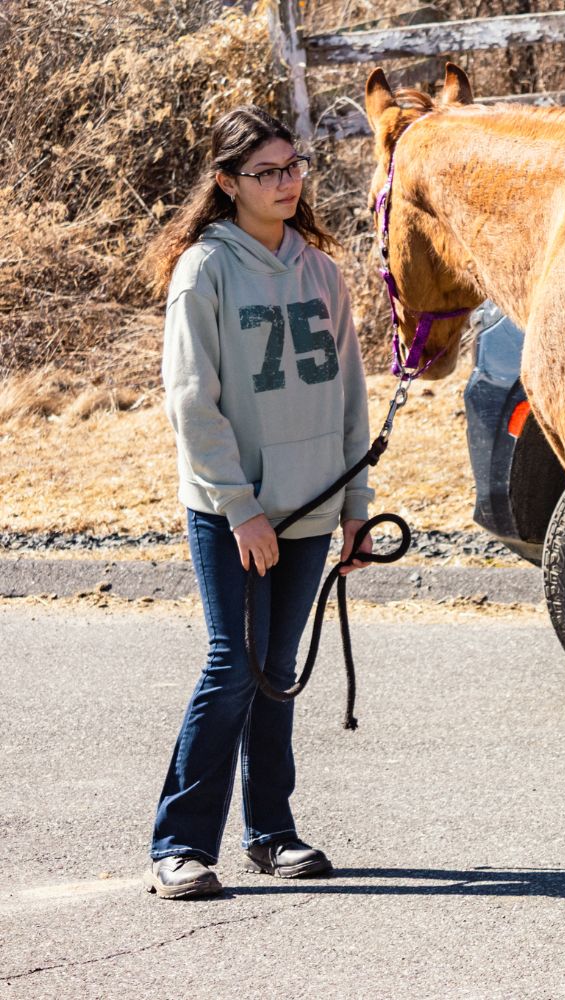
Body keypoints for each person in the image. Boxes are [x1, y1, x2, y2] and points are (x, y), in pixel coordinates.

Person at [144, 106, 374, 900]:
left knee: (277, 672)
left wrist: (356, 507)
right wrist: (240, 508)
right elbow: (190, 402)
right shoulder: (205, 270)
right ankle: (178, 844)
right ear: (227, 183)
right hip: (231, 509)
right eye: (266, 172)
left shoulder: (320, 268)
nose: (286, 183)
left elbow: (350, 394)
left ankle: (271, 833)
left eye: (293, 166)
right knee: (232, 665)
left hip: (313, 506)